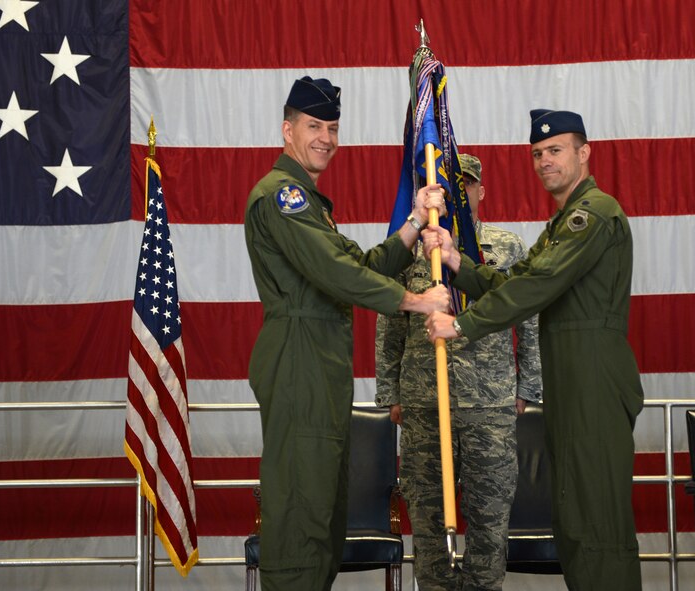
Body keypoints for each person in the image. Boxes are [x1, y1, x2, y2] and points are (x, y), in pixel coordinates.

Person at [243, 76, 451, 591]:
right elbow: (337, 275)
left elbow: (356, 262)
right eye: (314, 126)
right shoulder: (282, 197)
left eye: (333, 128)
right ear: (287, 130)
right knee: (300, 514)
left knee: (323, 517)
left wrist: (410, 227)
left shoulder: (310, 202)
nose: (326, 138)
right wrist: (417, 300)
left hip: (318, 367)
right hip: (298, 364)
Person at [423, 110, 644, 591]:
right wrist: (458, 262)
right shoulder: (563, 221)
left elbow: (539, 285)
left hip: (594, 379)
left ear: (584, 152)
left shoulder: (593, 214)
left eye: (556, 150)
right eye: (538, 154)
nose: (545, 161)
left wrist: (461, 326)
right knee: (577, 519)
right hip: (572, 381)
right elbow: (516, 280)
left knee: (597, 524)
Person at [375, 153, 542, 590]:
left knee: (489, 521)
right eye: (447, 188)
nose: (457, 195)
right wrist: (389, 391)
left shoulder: (505, 246)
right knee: (429, 522)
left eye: (465, 186)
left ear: (480, 191)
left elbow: (529, 319)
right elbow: (389, 319)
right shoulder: (409, 245)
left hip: (490, 404)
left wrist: (528, 386)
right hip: (424, 401)